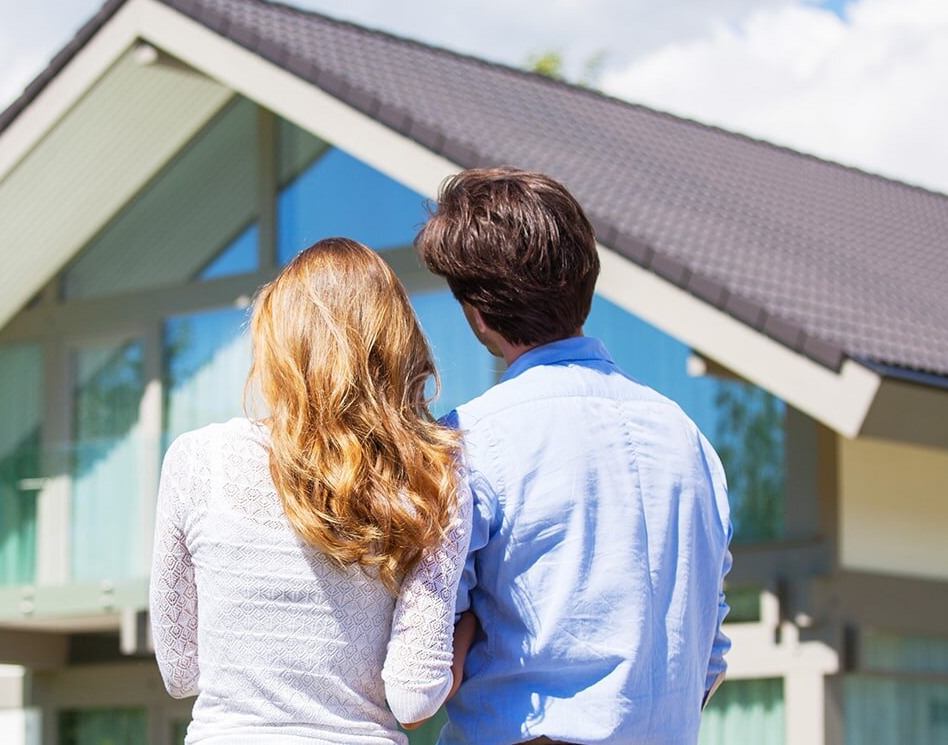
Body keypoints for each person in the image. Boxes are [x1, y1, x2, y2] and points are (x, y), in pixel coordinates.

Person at [415, 168, 733, 744]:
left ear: (476, 312)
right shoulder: (688, 440)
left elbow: (426, 646)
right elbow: (710, 648)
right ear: (584, 278)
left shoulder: (469, 441)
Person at [150, 238, 471, 743]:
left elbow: (180, 671)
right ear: (396, 346)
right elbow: (414, 695)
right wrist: (470, 630)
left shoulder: (196, 460)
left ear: (277, 344)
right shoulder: (433, 474)